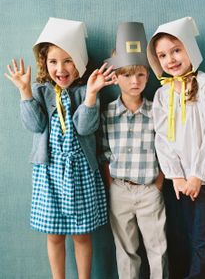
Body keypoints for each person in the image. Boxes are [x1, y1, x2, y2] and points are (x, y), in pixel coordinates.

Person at [5, 17, 115, 279]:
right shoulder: (41, 91)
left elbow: (85, 128)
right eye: (53, 61)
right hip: (49, 172)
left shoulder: (85, 90)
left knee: (81, 234)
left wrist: (90, 96)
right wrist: (24, 91)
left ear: (78, 62)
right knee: (54, 235)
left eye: (68, 60)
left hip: (80, 172)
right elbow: (35, 125)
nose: (61, 68)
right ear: (44, 62)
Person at [147, 16, 205, 279]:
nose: (170, 59)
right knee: (193, 237)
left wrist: (198, 175)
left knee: (201, 239)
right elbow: (162, 137)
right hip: (182, 180)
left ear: (189, 50)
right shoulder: (163, 95)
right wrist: (176, 175)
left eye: (176, 50)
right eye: (162, 55)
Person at [101, 22, 168, 279]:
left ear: (148, 76)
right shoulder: (107, 113)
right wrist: (111, 183)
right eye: (127, 75)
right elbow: (104, 151)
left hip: (150, 189)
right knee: (126, 250)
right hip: (120, 189)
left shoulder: (156, 111)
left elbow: (165, 149)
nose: (134, 81)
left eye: (140, 74)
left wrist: (158, 184)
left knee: (158, 248)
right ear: (115, 77)